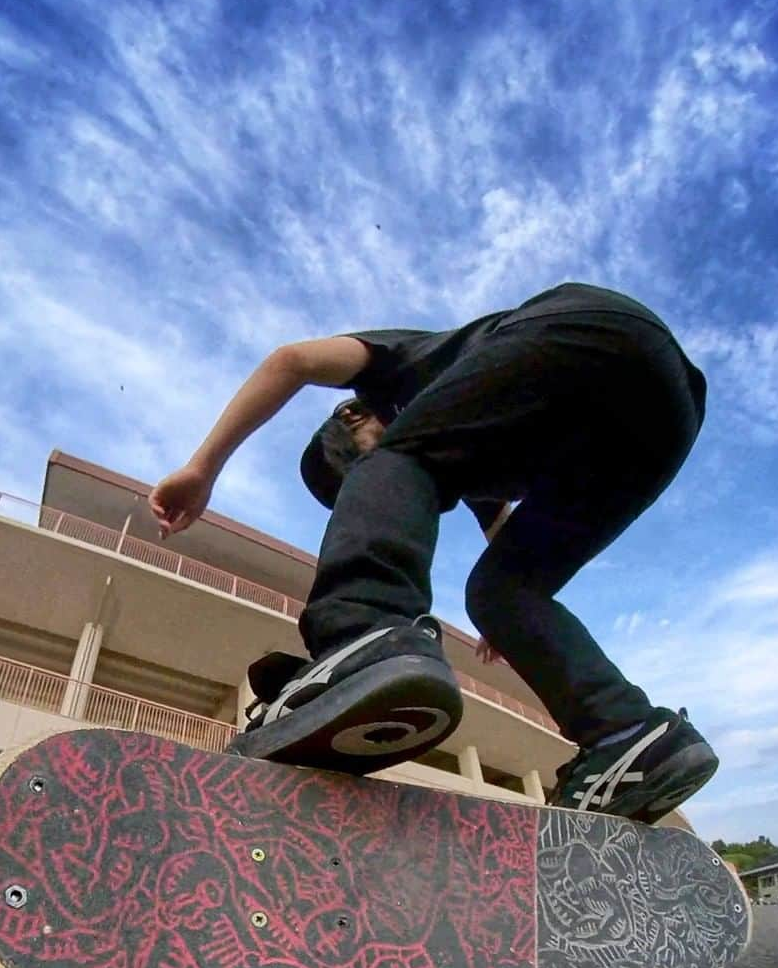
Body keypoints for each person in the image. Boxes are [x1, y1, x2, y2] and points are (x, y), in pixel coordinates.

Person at [148, 282, 718, 823]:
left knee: (401, 460)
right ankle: (629, 737)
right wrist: (511, 619)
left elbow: (290, 360)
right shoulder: (477, 432)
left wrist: (203, 467)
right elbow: (507, 547)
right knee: (498, 590)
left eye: (355, 472)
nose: (376, 493)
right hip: (664, 411)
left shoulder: (394, 368)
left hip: (583, 330)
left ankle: (361, 635)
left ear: (352, 417)